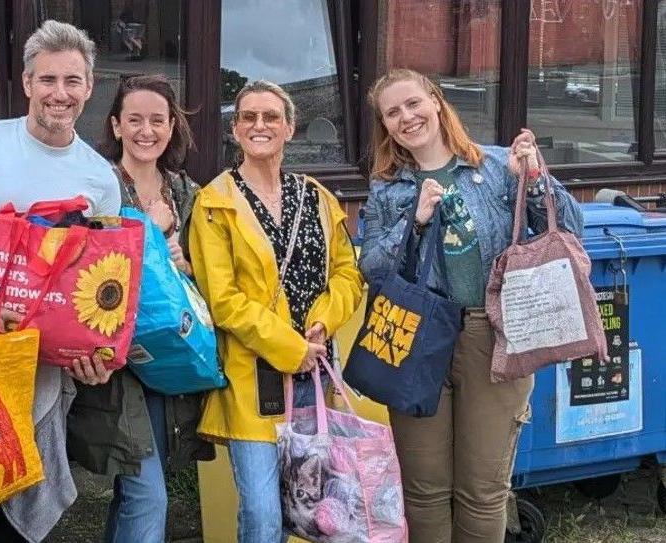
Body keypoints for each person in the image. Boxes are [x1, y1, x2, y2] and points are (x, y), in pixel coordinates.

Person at [360, 68, 584, 542]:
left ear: (436, 103)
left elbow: (569, 227)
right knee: (423, 490)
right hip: (418, 337)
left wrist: (537, 179)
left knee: (483, 491)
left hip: (493, 335)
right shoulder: (388, 186)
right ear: (385, 125)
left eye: (413, 104)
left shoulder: (498, 165)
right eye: (393, 113)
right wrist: (413, 223)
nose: (407, 117)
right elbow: (372, 268)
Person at [0, 20, 120, 543]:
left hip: (44, 370)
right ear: (26, 83)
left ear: (89, 86)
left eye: (72, 81)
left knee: (20, 503)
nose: (59, 94)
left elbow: (104, 285)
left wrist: (96, 357)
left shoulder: (100, 177)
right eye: (47, 80)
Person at [188, 80, 364, 543]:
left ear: (290, 128)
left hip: (316, 376)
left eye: (270, 117)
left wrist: (324, 321)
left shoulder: (318, 197)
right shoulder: (215, 202)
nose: (259, 125)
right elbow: (222, 300)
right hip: (253, 380)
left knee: (315, 510)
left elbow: (348, 272)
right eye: (249, 117)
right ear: (235, 129)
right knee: (264, 515)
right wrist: (291, 347)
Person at [64, 74, 213, 543]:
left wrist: (186, 264)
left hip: (169, 354)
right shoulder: (97, 185)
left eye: (157, 120)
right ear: (116, 125)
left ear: (172, 127)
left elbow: (210, 272)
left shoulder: (188, 191)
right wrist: (146, 236)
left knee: (139, 487)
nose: (147, 131)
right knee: (148, 492)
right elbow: (75, 265)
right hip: (115, 361)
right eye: (135, 120)